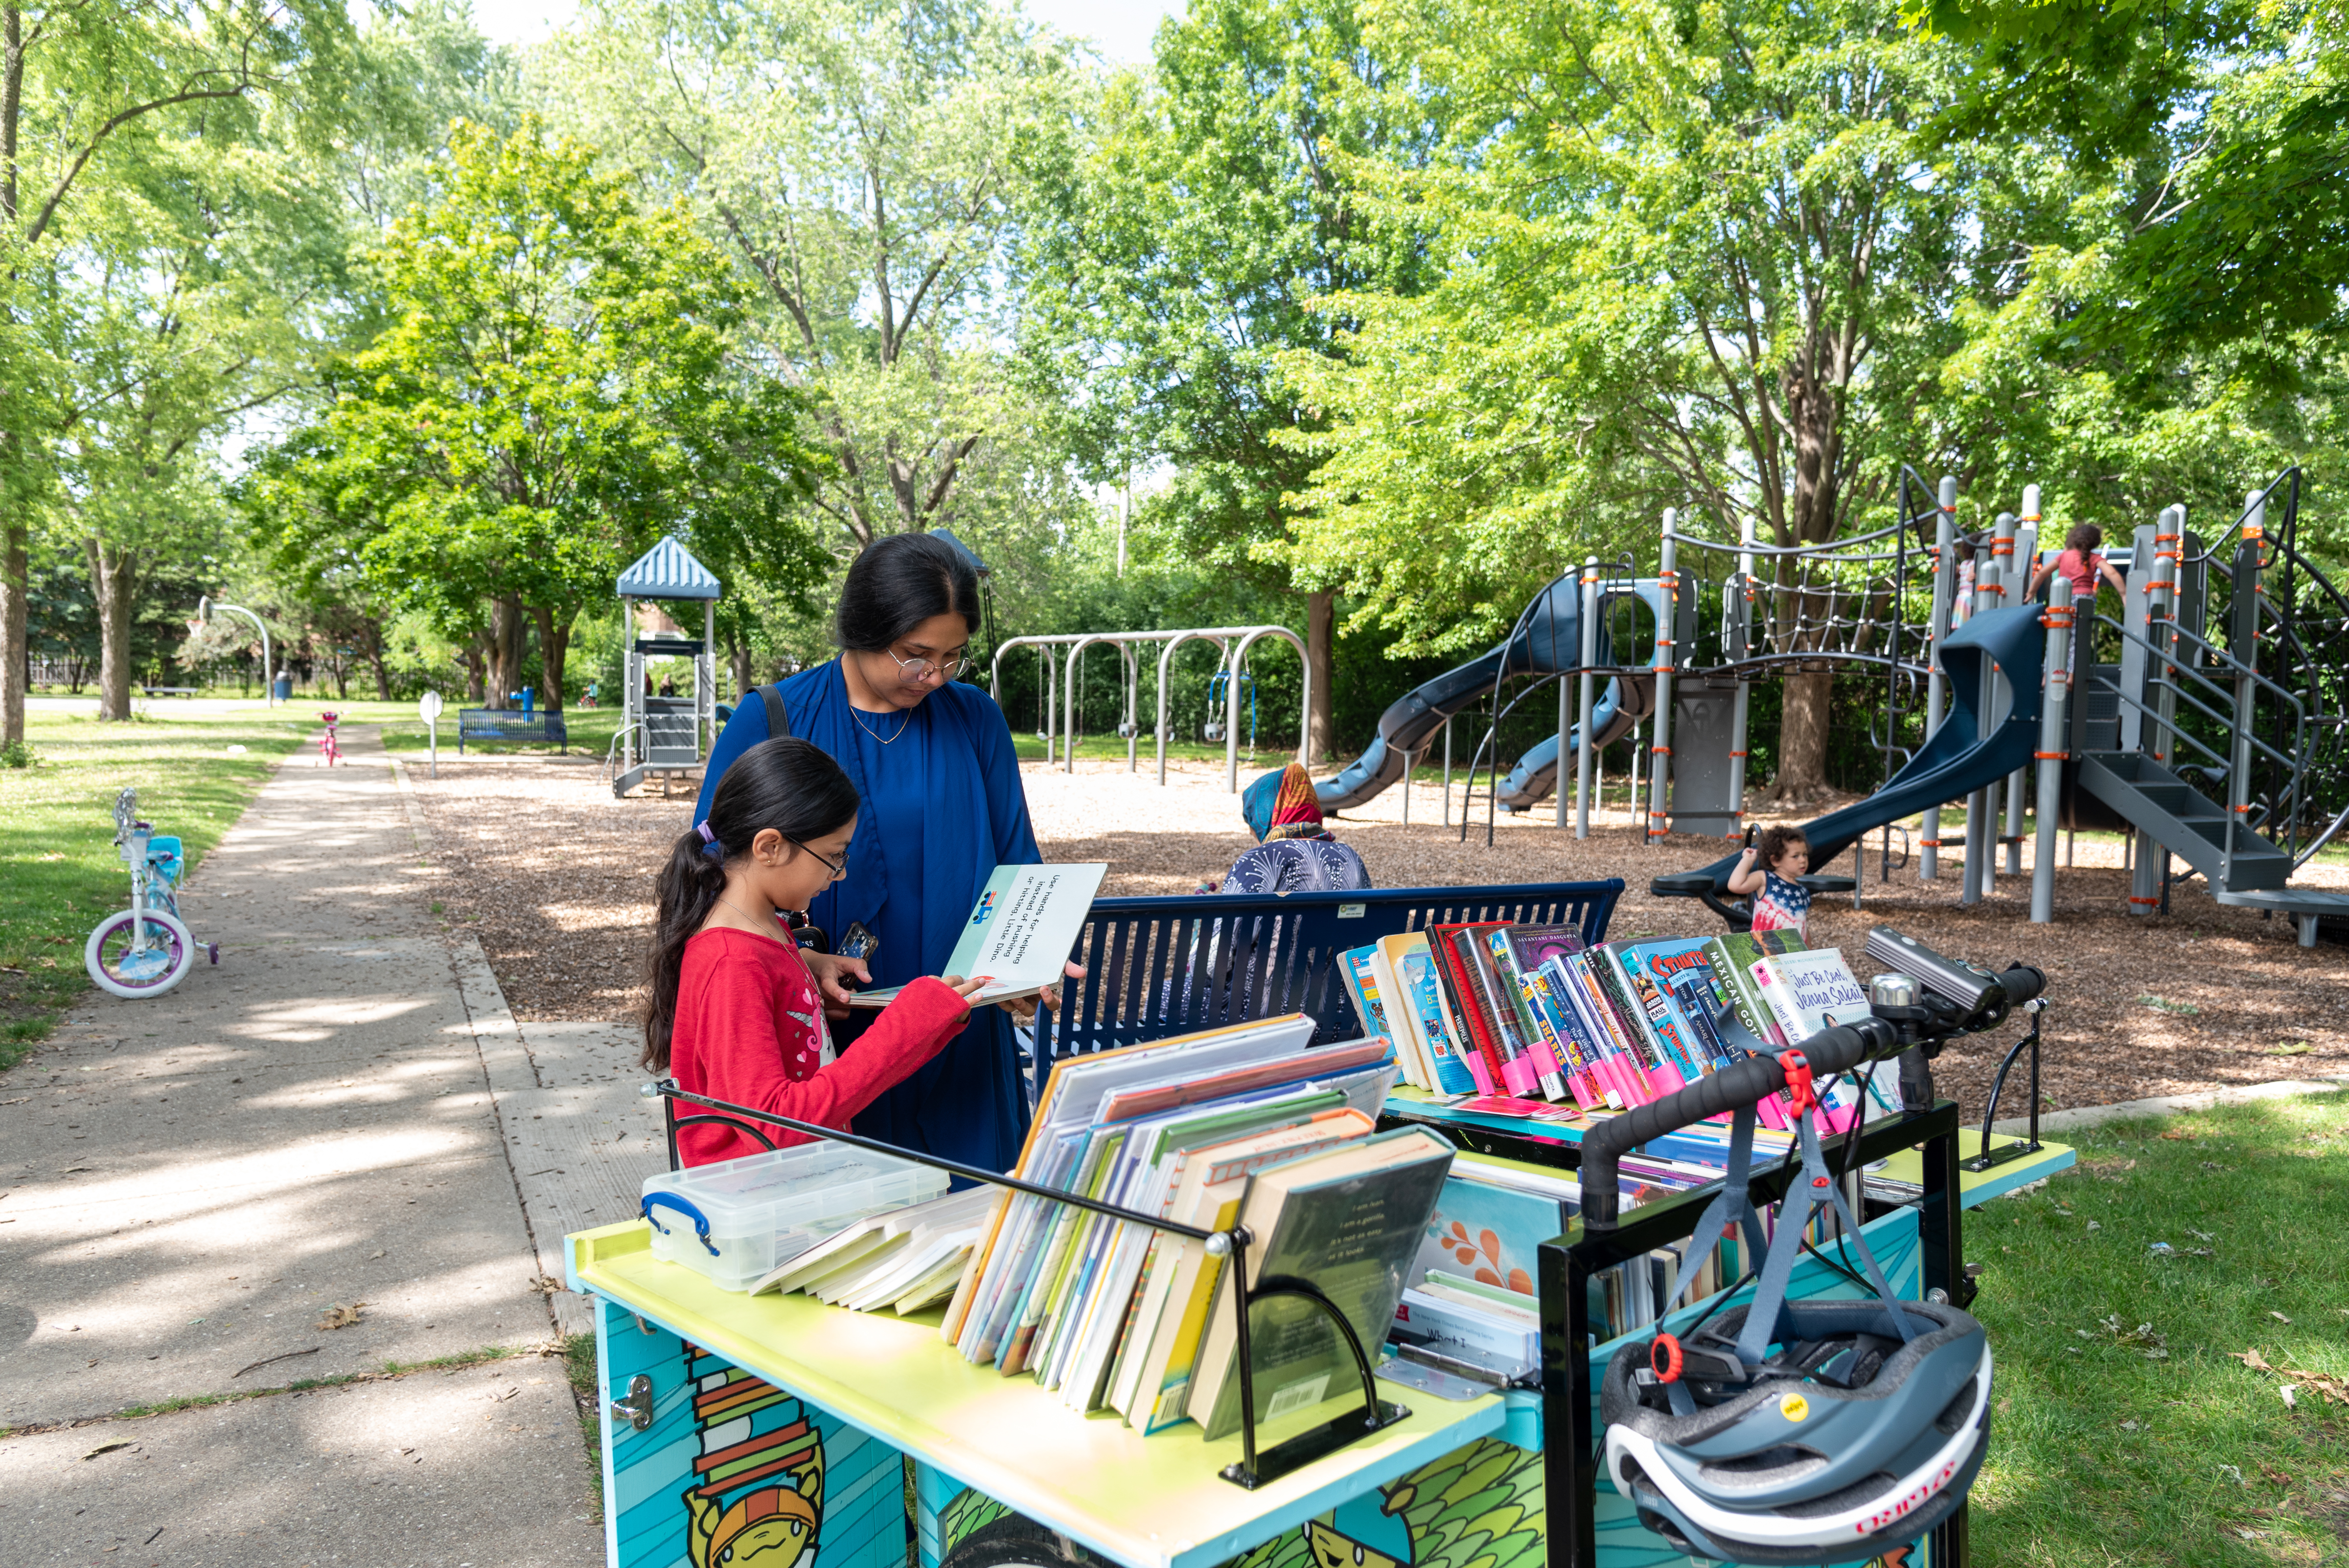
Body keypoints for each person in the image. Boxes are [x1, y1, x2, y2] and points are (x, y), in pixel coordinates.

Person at [692, 532, 1066, 1173]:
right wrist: (798, 959)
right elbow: (711, 881)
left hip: (962, 1037)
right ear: (861, 629)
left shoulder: (975, 719)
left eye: (953, 657)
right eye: (915, 654)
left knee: (971, 1232)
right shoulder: (771, 718)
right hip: (826, 1052)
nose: (934, 676)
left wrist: (1031, 964)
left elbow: (1018, 868)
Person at [642, 737, 988, 1166]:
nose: (839, 875)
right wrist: (909, 1024)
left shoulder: (761, 924)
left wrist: (803, 966)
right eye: (833, 856)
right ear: (770, 847)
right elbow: (774, 1127)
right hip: (762, 1206)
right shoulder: (732, 961)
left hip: (791, 1191)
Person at [1199, 761, 1371, 895]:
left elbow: (1224, 938)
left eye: (1251, 821)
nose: (1251, 831)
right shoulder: (1350, 857)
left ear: (1266, 816)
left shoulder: (1258, 861)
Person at [1726, 825, 1812, 940]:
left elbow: (1803, 926)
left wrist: (1809, 952)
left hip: (1792, 952)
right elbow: (1735, 885)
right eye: (1795, 856)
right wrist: (1748, 860)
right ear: (1776, 860)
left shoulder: (1802, 891)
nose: (1803, 860)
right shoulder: (1765, 879)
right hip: (1764, 949)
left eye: (1804, 854)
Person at [2027, 523, 2128, 605]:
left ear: (2074, 540)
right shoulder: (2095, 558)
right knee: (2082, 627)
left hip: (2062, 599)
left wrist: (2031, 593)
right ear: (2096, 542)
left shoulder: (2063, 556)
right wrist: (2124, 594)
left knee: (2062, 626)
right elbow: (2112, 574)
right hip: (2085, 599)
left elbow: (2042, 573)